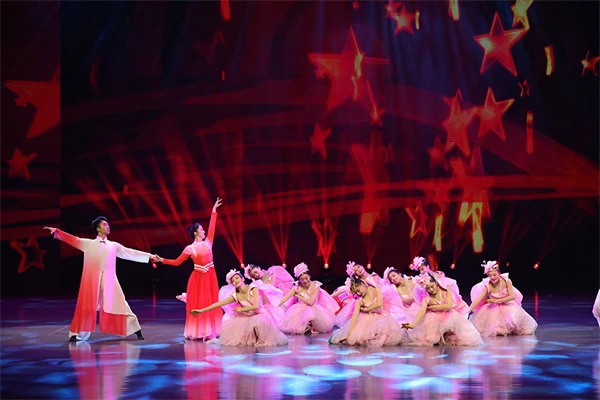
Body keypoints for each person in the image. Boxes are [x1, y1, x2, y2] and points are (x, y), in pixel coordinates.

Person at [43, 217, 159, 342]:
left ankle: (136, 330)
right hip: (92, 282)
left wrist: (149, 256)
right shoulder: (88, 244)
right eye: (104, 224)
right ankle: (75, 334)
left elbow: (129, 253)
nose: (108, 226)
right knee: (86, 307)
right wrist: (57, 232)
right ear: (98, 228)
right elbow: (73, 239)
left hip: (110, 282)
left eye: (108, 224)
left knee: (121, 305)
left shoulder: (113, 245)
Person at [155, 197, 222, 340]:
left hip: (210, 277)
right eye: (201, 229)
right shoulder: (189, 249)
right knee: (200, 303)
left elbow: (212, 226)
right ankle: (198, 331)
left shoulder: (208, 242)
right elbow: (177, 262)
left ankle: (210, 330)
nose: (204, 231)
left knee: (211, 302)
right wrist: (162, 260)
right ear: (196, 233)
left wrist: (214, 211)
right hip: (198, 279)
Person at [190, 269, 288, 347]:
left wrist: (241, 309)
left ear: (242, 279)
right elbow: (219, 304)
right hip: (247, 317)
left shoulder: (253, 288)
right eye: (233, 281)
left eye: (236, 278)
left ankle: (260, 338)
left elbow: (255, 306)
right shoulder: (235, 295)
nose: (235, 281)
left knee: (259, 321)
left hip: (259, 313)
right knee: (244, 330)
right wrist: (202, 310)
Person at [402, 274, 483, 346]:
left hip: (448, 314)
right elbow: (422, 311)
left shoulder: (445, 289)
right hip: (434, 317)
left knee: (452, 325)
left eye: (432, 286)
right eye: (428, 289)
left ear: (436, 283)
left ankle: (447, 336)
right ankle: (439, 339)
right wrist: (414, 324)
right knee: (431, 338)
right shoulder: (426, 297)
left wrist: (433, 307)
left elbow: (449, 306)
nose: (431, 290)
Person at [468, 260, 538, 336]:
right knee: (496, 328)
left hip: (507, 305)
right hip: (494, 308)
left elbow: (512, 296)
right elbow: (478, 300)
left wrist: (496, 300)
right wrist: (468, 311)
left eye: (494, 275)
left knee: (513, 320)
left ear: (499, 274)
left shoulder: (506, 281)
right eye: (490, 276)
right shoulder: (487, 286)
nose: (492, 277)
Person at [329, 278, 405, 346]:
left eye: (358, 291)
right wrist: (349, 334)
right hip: (367, 320)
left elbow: (379, 304)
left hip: (380, 317)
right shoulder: (360, 301)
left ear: (362, 284)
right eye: (356, 293)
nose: (358, 294)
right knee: (361, 336)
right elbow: (354, 317)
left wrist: (366, 309)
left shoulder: (376, 289)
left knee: (387, 334)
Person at [278, 263, 339, 334]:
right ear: (299, 279)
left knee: (310, 312)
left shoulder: (315, 285)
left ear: (309, 276)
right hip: (299, 309)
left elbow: (310, 302)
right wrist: (275, 305)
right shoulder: (296, 288)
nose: (305, 281)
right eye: (302, 279)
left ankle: (312, 326)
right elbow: (285, 298)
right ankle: (306, 327)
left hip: (314, 308)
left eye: (306, 278)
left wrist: (298, 296)